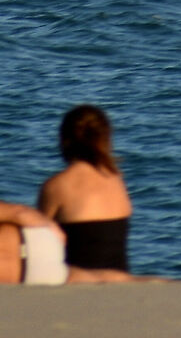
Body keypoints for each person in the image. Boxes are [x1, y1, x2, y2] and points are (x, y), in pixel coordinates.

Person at [37, 104, 133, 274]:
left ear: (64, 139)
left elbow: (38, 245)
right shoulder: (117, 182)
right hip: (120, 281)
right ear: (105, 139)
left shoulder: (57, 186)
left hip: (77, 283)